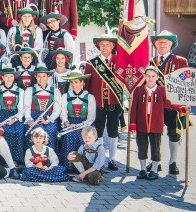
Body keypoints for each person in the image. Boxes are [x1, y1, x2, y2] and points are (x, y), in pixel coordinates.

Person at [130, 66, 189, 181]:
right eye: (148, 76)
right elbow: (134, 109)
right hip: (141, 124)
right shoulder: (138, 90)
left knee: (155, 148)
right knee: (141, 147)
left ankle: (154, 170)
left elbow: (170, 104)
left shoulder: (162, 90)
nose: (150, 78)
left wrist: (182, 109)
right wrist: (133, 124)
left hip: (156, 124)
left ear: (157, 77)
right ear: (144, 77)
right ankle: (142, 169)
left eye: (153, 76)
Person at [149, 30, 189, 175]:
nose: (162, 44)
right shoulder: (150, 62)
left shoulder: (180, 61)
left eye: (166, 41)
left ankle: (172, 162)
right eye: (159, 42)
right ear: (155, 44)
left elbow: (187, 84)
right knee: (154, 134)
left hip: (173, 104)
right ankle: (156, 161)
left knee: (174, 134)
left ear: (172, 44)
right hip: (155, 104)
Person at [83, 29, 123, 171]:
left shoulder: (120, 61)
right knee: (97, 131)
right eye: (102, 44)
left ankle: (112, 159)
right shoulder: (92, 63)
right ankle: (100, 158)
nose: (104, 47)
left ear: (113, 46)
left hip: (114, 102)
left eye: (107, 44)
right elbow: (86, 86)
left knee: (113, 131)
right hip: (98, 103)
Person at [59, 71, 96, 167]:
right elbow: (63, 114)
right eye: (71, 82)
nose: (73, 85)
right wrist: (67, 124)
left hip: (85, 125)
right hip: (70, 124)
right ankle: (69, 165)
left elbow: (91, 118)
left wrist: (79, 126)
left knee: (82, 136)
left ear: (82, 82)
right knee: (69, 135)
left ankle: (84, 165)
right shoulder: (65, 96)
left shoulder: (90, 97)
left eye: (76, 82)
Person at [0, 67, 26, 164]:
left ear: (14, 77)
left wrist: (15, 119)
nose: (9, 79)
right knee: (2, 131)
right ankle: (2, 160)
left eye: (11, 76)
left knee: (19, 131)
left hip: (15, 116)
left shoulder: (20, 91)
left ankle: (16, 160)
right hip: (2, 115)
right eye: (6, 76)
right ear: (2, 77)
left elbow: (21, 109)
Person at [24, 65, 62, 150]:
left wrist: (48, 120)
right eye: (39, 76)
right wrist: (30, 120)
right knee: (35, 131)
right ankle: (34, 157)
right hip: (34, 117)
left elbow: (57, 110)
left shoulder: (55, 91)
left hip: (48, 117)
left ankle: (49, 157)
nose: (41, 79)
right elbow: (26, 108)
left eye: (44, 76)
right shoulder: (30, 90)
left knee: (49, 131)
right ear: (35, 77)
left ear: (48, 76)